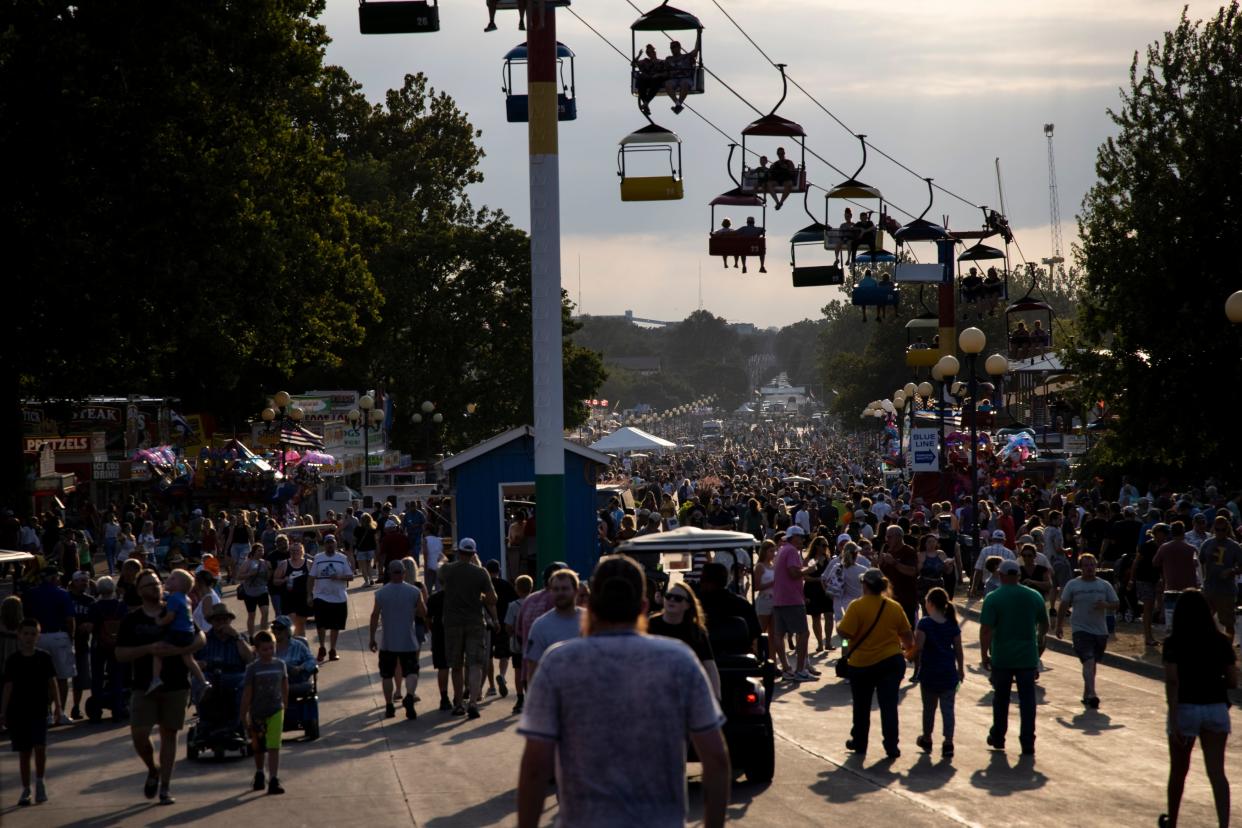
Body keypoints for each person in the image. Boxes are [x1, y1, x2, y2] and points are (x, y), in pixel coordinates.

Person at [516, 555, 728, 828]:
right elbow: (716, 761)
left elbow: (534, 769)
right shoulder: (679, 660)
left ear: (590, 605)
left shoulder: (558, 663)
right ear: (643, 606)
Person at [115, 569, 206, 805]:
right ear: (139, 591)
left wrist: (178, 651)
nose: (155, 587)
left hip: (176, 682)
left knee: (169, 734)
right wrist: (148, 649)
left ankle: (165, 786)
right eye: (148, 585)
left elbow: (200, 637)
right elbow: (120, 653)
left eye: (156, 582)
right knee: (139, 734)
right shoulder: (133, 620)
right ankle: (152, 768)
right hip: (144, 684)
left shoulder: (174, 607)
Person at [1160, 590, 1236, 828]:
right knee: (1217, 772)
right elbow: (1233, 680)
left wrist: (1174, 718)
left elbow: (1172, 680)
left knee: (1179, 771)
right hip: (1215, 707)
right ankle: (1224, 823)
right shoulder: (1222, 641)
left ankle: (1172, 820)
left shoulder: (1173, 642)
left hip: (1185, 707)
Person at [835, 568, 913, 757]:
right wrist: (907, 653)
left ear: (865, 585)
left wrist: (840, 628)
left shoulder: (856, 606)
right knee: (889, 706)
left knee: (861, 706)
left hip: (862, 664)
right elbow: (908, 639)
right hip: (891, 662)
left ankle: (860, 743)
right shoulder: (894, 607)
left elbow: (845, 634)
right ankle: (891, 746)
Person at [979, 559, 1048, 755]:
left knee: (1001, 698)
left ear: (1000, 575)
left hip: (1002, 657)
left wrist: (984, 655)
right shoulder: (1034, 596)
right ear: (1019, 576)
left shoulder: (993, 598)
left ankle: (998, 736)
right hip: (1027, 657)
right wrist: (1039, 642)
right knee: (1027, 701)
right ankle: (1028, 741)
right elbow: (1044, 624)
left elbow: (986, 630)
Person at [1, 618, 61, 806]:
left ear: (38, 636)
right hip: (18, 712)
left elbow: (53, 683)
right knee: (24, 753)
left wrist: (58, 707)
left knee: (40, 747)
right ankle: (26, 789)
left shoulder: (44, 657)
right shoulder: (13, 660)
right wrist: (3, 712)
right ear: (19, 635)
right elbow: (8, 687)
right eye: (25, 633)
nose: (29, 637)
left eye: (32, 634)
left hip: (39, 710)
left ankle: (40, 781)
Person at [437, 537, 498, 719]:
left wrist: (443, 560)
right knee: (475, 664)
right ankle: (473, 701)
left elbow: (440, 571)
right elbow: (492, 599)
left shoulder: (447, 570)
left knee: (455, 665)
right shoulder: (481, 573)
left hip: (452, 623)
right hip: (475, 622)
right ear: (473, 554)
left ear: (458, 551)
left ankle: (458, 703)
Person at [1055, 553, 1119, 709]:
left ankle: (1087, 693)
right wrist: (1059, 625)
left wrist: (1105, 605)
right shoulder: (1073, 585)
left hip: (1100, 631)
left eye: (1092, 565)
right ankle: (1092, 694)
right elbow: (1063, 605)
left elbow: (1116, 603)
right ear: (1080, 567)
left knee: (1091, 663)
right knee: (1088, 660)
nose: (1089, 568)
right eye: (1086, 565)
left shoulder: (1104, 585)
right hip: (1080, 629)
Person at [370, 560, 427, 720]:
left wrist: (372, 638)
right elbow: (423, 613)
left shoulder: (381, 593)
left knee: (387, 675)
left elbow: (374, 616)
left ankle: (389, 706)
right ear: (404, 573)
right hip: (408, 641)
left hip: (388, 642)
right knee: (412, 672)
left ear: (389, 573)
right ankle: (409, 695)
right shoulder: (414, 591)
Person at [913, 587, 963, 757]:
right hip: (948, 672)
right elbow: (958, 649)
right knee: (948, 709)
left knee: (929, 708)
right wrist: (961, 670)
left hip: (930, 672)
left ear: (931, 604)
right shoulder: (952, 623)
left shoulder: (925, 623)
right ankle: (948, 743)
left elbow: (918, 647)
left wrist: (911, 659)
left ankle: (927, 738)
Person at [21, 566, 75, 724]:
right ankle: (61, 713)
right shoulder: (62, 594)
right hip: (58, 635)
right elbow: (70, 619)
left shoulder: (30, 594)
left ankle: (46, 714)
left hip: (38, 636)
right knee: (62, 676)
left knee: (42, 678)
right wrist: (70, 636)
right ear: (52, 578)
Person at [648, 581, 721, 698]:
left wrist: (716, 698)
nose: (671, 600)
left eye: (678, 598)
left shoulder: (696, 631)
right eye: (668, 596)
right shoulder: (649, 625)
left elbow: (710, 666)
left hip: (686, 689)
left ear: (687, 605)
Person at [241, 630, 288, 796]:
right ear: (257, 650)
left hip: (276, 710)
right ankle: (260, 772)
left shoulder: (280, 665)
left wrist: (284, 705)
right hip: (257, 712)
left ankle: (274, 778)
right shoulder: (252, 669)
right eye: (264, 649)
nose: (269, 652)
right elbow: (247, 693)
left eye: (271, 648)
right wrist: (244, 714)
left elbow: (284, 685)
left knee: (274, 746)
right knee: (259, 748)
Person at [148, 568, 210, 694]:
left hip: (178, 632)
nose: (168, 579)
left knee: (157, 652)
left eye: (173, 578)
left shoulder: (173, 598)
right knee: (188, 658)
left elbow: (170, 617)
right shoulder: (185, 598)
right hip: (189, 632)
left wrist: (159, 621)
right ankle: (203, 681)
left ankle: (155, 678)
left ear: (181, 585)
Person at [524, 569, 584, 687]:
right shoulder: (540, 626)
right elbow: (533, 669)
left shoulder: (591, 621)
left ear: (576, 591)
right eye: (556, 589)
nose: (560, 593)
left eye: (565, 589)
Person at [87, 576, 129, 720]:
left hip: (99, 644)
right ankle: (117, 710)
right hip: (117, 644)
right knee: (117, 677)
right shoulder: (121, 605)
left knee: (97, 677)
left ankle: (96, 712)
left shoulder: (94, 606)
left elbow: (92, 627)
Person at [309, 535, 354, 662]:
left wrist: (339, 577)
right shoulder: (318, 558)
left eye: (332, 542)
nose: (330, 545)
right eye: (327, 543)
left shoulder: (342, 558)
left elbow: (350, 576)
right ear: (324, 545)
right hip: (320, 596)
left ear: (335, 544)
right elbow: (311, 577)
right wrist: (309, 594)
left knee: (336, 625)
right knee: (321, 624)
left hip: (338, 597)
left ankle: (332, 649)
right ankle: (322, 647)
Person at [1198, 515, 1242, 641]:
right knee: (1203, 620)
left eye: (1223, 530)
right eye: (1218, 529)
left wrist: (1232, 570)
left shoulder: (1234, 546)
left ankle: (1227, 651)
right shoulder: (1207, 543)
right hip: (1209, 587)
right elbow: (1200, 562)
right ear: (1214, 529)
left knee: (1228, 622)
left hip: (1226, 590)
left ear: (1227, 530)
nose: (1220, 532)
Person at [484, 559, 518, 698]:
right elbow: (514, 603)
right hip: (503, 623)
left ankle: (491, 686)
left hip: (487, 623)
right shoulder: (506, 585)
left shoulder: (484, 586)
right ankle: (502, 675)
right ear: (499, 570)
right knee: (504, 654)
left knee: (489, 656)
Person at [504, 574, 534, 714]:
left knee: (518, 670)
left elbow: (508, 626)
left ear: (517, 589)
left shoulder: (513, 606)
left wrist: (512, 635)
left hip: (518, 643)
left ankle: (520, 698)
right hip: (533, 643)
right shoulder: (535, 603)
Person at [273, 540, 312, 637]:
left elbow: (315, 579)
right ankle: (293, 643)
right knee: (292, 622)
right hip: (288, 598)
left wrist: (311, 595)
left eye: (297, 551)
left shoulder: (309, 563)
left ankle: (301, 644)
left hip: (303, 598)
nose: (295, 553)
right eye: (293, 551)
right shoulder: (284, 564)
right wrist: (284, 580)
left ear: (302, 552)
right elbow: (275, 581)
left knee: (301, 625)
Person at [663, 39, 699, 114]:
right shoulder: (669, 59)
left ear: (679, 47)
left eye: (674, 47)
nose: (672, 49)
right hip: (674, 79)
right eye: (671, 48)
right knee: (667, 84)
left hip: (685, 77)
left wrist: (698, 35)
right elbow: (662, 66)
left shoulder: (686, 56)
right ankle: (678, 104)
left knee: (684, 83)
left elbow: (695, 50)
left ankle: (679, 103)